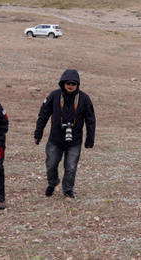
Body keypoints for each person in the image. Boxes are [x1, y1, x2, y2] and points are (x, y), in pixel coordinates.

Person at [34, 69, 96, 198]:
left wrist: (90, 139)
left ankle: (68, 189)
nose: (70, 85)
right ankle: (52, 182)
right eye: (68, 83)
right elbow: (43, 115)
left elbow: (90, 120)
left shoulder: (84, 99)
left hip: (74, 141)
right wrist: (38, 133)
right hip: (55, 139)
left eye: (73, 83)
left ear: (77, 84)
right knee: (51, 164)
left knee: (71, 167)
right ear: (62, 83)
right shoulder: (54, 96)